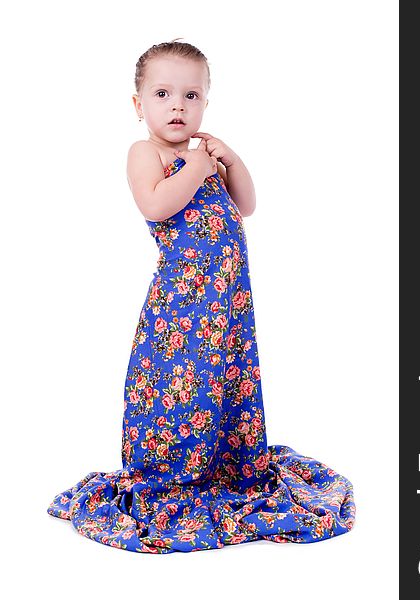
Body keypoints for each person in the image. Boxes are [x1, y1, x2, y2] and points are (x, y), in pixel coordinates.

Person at [46, 39, 356, 553]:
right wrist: (196, 165)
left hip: (228, 303)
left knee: (226, 382)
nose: (177, 106)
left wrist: (230, 161)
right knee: (180, 383)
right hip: (184, 303)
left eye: (191, 95)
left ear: (205, 103)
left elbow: (248, 205)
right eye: (163, 93)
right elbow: (157, 205)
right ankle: (170, 470)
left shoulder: (207, 153)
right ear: (138, 103)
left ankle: (226, 462)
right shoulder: (148, 154)